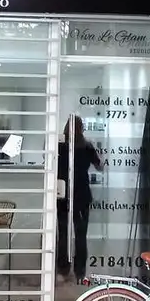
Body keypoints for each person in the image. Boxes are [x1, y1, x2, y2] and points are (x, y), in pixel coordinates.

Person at [56, 115, 101, 284]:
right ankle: (80, 273)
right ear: (81, 128)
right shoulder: (87, 146)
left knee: (63, 234)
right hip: (81, 195)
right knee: (81, 236)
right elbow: (99, 165)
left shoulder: (59, 145)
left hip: (63, 194)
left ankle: (63, 270)